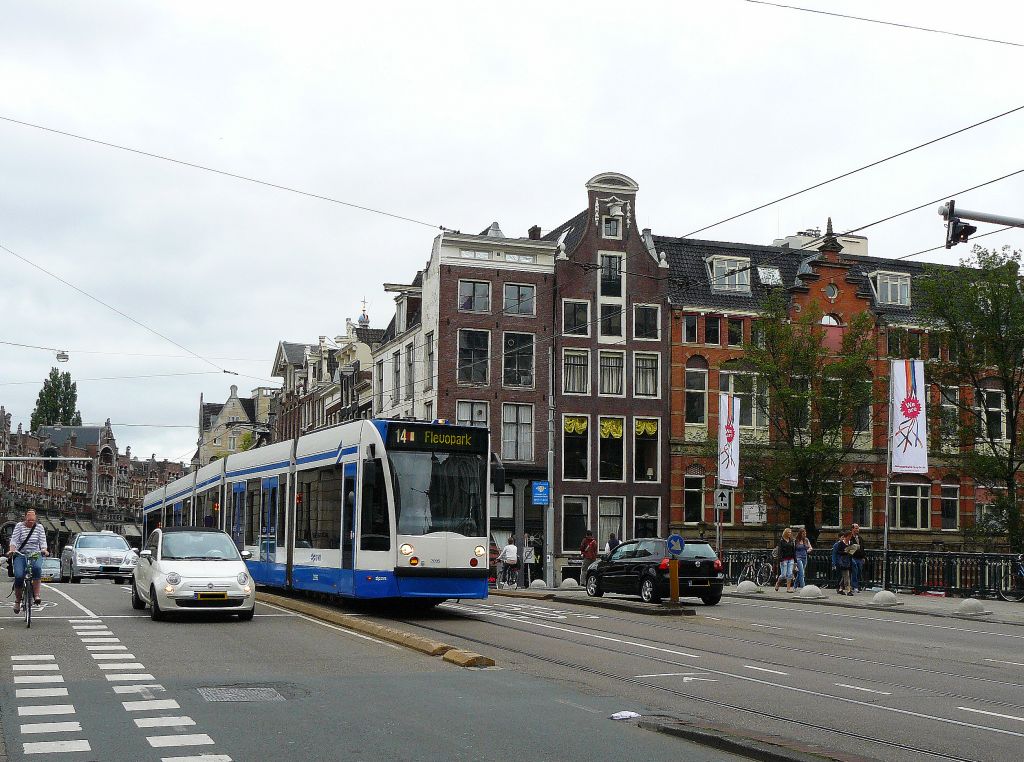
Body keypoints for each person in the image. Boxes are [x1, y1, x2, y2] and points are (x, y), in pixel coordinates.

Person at [8, 509, 49, 614]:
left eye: (32, 521)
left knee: (37, 568)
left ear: (35, 519)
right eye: (29, 520)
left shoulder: (39, 528)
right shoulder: (19, 526)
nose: (30, 522)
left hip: (35, 554)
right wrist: (12, 550)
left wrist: (44, 550)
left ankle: (36, 595)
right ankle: (17, 601)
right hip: (20, 554)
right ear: (25, 518)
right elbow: (14, 540)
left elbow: (42, 541)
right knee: (18, 576)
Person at [831, 529, 853, 595]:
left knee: (844, 576)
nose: (850, 538)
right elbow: (837, 552)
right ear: (846, 536)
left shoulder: (850, 543)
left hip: (848, 561)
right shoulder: (840, 544)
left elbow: (852, 552)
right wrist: (845, 552)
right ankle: (848, 590)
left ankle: (840, 589)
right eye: (849, 536)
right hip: (842, 561)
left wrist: (852, 551)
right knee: (846, 575)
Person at [774, 527, 797, 592]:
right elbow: (780, 551)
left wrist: (795, 560)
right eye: (788, 532)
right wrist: (781, 559)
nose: (790, 533)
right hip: (784, 559)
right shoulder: (781, 541)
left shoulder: (792, 541)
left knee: (789, 574)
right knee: (783, 575)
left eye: (790, 532)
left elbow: (793, 551)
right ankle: (777, 584)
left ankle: (788, 588)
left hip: (791, 559)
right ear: (785, 533)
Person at [850, 523, 865, 592]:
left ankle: (858, 585)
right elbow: (848, 548)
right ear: (852, 529)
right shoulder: (850, 538)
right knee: (854, 571)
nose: (857, 530)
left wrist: (863, 557)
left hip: (860, 558)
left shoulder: (860, 538)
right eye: (856, 528)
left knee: (859, 572)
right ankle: (854, 586)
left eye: (858, 528)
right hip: (853, 557)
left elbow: (863, 548)